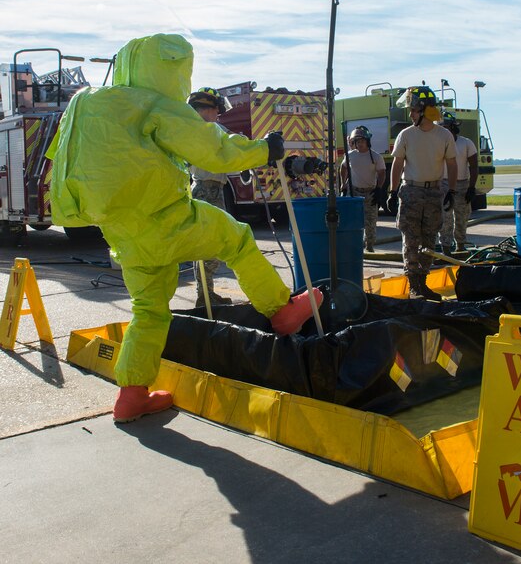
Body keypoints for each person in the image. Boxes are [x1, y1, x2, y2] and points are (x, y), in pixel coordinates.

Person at [46, 34, 322, 423]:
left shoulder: (85, 103)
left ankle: (131, 396)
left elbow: (57, 158)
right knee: (237, 240)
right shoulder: (152, 104)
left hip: (122, 233)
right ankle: (281, 311)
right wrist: (264, 150)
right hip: (165, 218)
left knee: (149, 311)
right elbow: (213, 150)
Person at [387, 86, 457, 300]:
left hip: (434, 191)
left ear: (424, 110)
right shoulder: (406, 135)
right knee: (411, 238)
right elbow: (397, 164)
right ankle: (414, 285)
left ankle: (423, 283)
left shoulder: (444, 135)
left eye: (414, 110)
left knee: (429, 238)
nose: (410, 114)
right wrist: (392, 191)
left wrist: (451, 190)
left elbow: (452, 164)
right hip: (411, 191)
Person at [187, 87, 234, 307]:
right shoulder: (209, 130)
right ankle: (205, 296)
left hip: (206, 188)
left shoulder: (195, 129)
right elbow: (233, 145)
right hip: (208, 190)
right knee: (211, 244)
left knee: (206, 246)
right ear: (205, 108)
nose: (219, 113)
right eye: (217, 109)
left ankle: (205, 294)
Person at [436, 112, 478, 253]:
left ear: (453, 127)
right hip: (444, 184)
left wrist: (472, 187)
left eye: (446, 127)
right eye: (441, 128)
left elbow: (474, 166)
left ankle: (460, 245)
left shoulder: (466, 143)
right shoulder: (437, 144)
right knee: (445, 218)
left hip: (462, 184)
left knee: (462, 216)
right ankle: (446, 248)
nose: (443, 131)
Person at [340, 125, 385, 252]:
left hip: (370, 192)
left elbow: (382, 173)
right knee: (352, 220)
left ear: (367, 141)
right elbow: (343, 168)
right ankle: (353, 246)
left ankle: (369, 245)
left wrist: (379, 189)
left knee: (370, 221)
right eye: (357, 142)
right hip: (353, 191)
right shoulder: (350, 156)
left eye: (362, 141)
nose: (360, 144)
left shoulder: (376, 157)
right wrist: (343, 184)